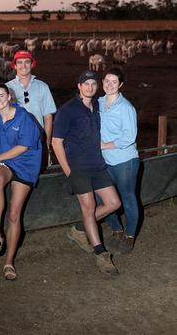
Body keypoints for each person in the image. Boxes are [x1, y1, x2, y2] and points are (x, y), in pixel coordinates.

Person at [51, 70, 122, 275]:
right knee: (89, 207)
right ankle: (101, 254)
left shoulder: (98, 106)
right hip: (78, 167)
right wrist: (68, 172)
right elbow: (56, 142)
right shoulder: (67, 110)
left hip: (98, 165)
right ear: (79, 86)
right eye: (86, 84)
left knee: (113, 203)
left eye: (93, 84)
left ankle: (79, 230)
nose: (90, 87)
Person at [0, 83, 42, 280]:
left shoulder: (23, 116)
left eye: (2, 95)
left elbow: (24, 147)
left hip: (26, 163)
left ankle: (9, 262)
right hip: (6, 163)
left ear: (9, 96)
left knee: (14, 214)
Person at [99, 68, 139, 254]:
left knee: (127, 196)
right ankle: (116, 229)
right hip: (105, 161)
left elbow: (129, 137)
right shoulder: (98, 102)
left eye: (114, 81)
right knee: (104, 197)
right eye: (107, 80)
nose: (109, 84)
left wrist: (104, 145)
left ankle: (129, 236)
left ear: (120, 85)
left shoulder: (126, 107)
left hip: (124, 160)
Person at [6, 50, 56, 166]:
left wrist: (47, 144)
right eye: (20, 62)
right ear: (15, 65)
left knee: (41, 171)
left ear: (32, 64)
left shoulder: (42, 87)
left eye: (27, 62)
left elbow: (48, 117)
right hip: (15, 141)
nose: (23, 66)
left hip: (38, 139)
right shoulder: (7, 87)